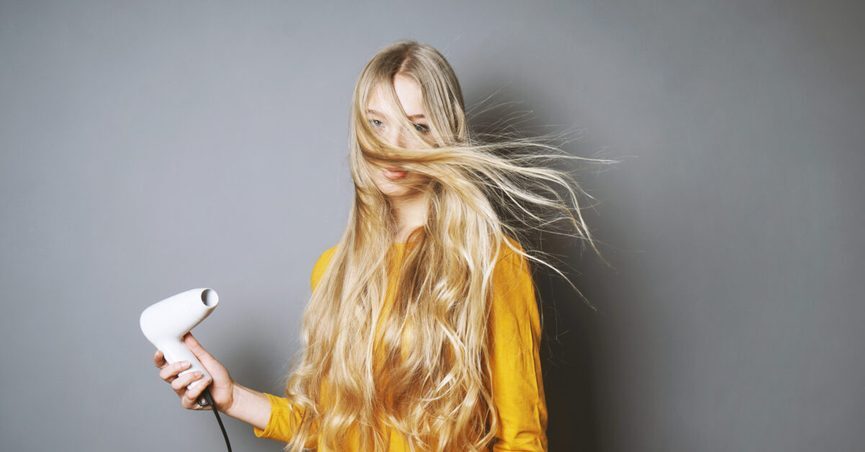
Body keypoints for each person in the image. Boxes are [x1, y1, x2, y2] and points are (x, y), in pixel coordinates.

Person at [152, 40, 612, 451]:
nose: (392, 147)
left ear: (446, 133)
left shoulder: (492, 262)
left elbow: (522, 440)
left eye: (418, 126)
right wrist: (232, 397)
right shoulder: (334, 269)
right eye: (377, 123)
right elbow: (333, 428)